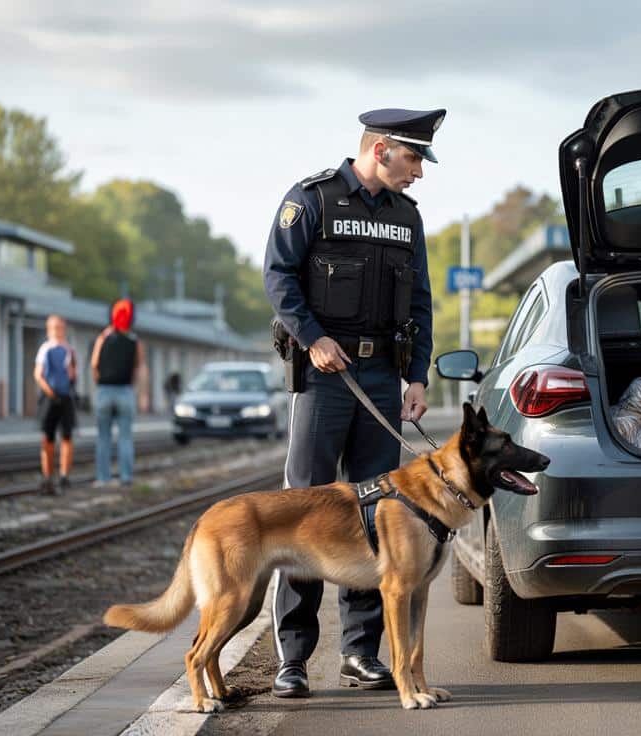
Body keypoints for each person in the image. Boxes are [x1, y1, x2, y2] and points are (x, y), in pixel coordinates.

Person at [262, 107, 438, 698]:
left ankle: (360, 653)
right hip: (324, 377)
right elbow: (279, 277)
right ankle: (292, 658)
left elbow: (420, 302)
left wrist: (417, 377)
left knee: (376, 513)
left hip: (383, 379)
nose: (418, 172)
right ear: (380, 149)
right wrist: (313, 338)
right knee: (304, 510)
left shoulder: (407, 217)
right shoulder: (311, 199)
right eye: (412, 158)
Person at [90, 298, 149, 488]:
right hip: (125, 390)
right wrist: (142, 394)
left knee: (103, 437)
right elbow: (140, 368)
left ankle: (103, 478)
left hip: (104, 390)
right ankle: (126, 477)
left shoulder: (102, 338)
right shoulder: (135, 342)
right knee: (125, 437)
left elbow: (94, 364)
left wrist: (99, 382)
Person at [33, 314, 77, 495]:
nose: (58, 331)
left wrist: (71, 372)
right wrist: (49, 390)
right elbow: (38, 374)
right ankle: (47, 476)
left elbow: (73, 375)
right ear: (49, 330)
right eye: (55, 328)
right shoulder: (45, 349)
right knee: (47, 437)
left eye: (61, 328)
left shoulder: (69, 350)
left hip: (66, 397)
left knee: (67, 436)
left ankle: (64, 475)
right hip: (50, 398)